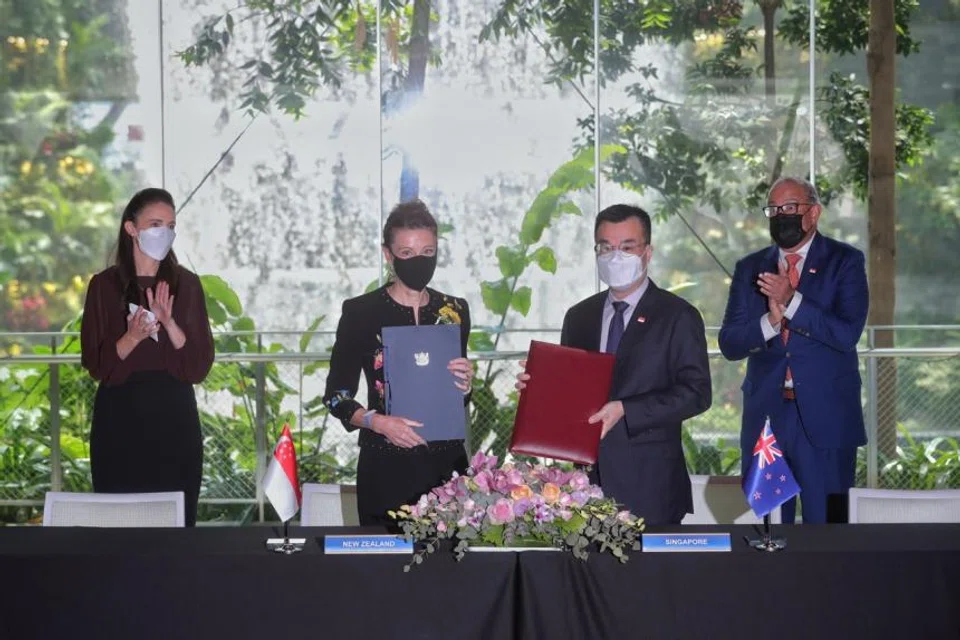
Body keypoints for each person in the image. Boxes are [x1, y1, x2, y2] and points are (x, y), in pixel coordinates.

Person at [517, 204, 712, 525]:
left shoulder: (678, 316)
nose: (615, 256)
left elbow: (697, 393)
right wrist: (537, 387)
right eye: (605, 247)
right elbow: (573, 392)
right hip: (586, 484)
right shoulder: (579, 316)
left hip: (651, 484)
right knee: (589, 576)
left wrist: (626, 408)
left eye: (626, 247)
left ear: (647, 253)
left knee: (647, 576)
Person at [718, 177, 868, 524]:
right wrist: (769, 323)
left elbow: (846, 334)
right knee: (768, 527)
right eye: (774, 209)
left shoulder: (845, 261)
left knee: (830, 528)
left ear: (813, 213)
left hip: (827, 419)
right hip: (768, 418)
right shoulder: (750, 268)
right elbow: (729, 343)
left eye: (790, 208)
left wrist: (791, 301)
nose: (780, 216)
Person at [323, 200, 473, 527]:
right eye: (406, 253)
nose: (418, 261)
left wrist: (466, 383)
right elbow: (335, 396)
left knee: (453, 573)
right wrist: (378, 422)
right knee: (386, 570)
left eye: (427, 252)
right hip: (386, 466)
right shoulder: (361, 313)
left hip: (446, 468)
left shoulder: (455, 310)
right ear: (388, 254)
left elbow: (458, 396)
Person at [80, 188, 214, 527]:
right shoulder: (104, 286)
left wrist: (169, 323)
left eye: (170, 225)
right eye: (155, 224)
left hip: (174, 417)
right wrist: (132, 337)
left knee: (177, 520)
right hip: (120, 418)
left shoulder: (187, 285)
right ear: (131, 228)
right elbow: (98, 366)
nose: (164, 233)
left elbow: (198, 365)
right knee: (118, 522)